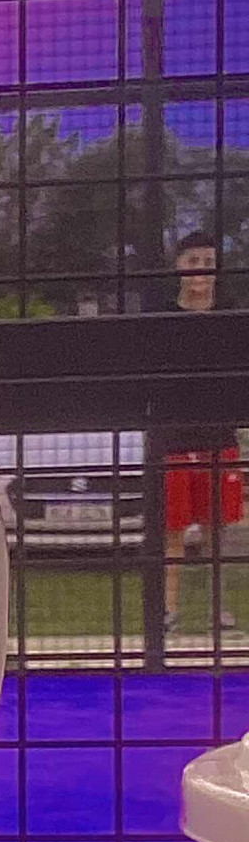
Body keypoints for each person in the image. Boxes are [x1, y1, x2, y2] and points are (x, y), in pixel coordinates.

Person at [156, 237, 242, 634]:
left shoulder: (230, 318)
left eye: (209, 261)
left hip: (218, 438)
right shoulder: (164, 320)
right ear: (179, 266)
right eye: (194, 260)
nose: (202, 269)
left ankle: (217, 611)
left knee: (215, 533)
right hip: (174, 440)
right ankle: (167, 611)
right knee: (172, 532)